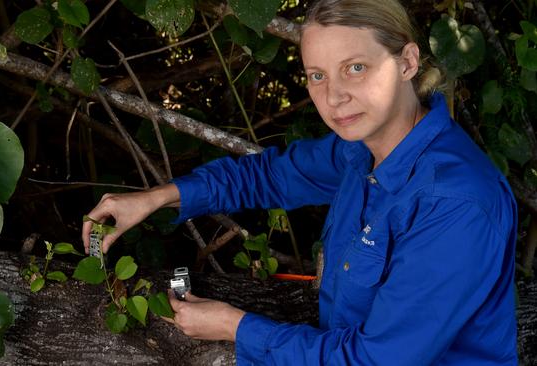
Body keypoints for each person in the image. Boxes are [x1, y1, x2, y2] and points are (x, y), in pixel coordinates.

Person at [82, 0, 518, 364]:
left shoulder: (454, 202)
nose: (333, 97)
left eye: (356, 68)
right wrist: (158, 198)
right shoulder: (363, 148)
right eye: (318, 75)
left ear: (407, 62)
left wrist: (236, 328)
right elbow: (270, 175)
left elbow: (375, 361)